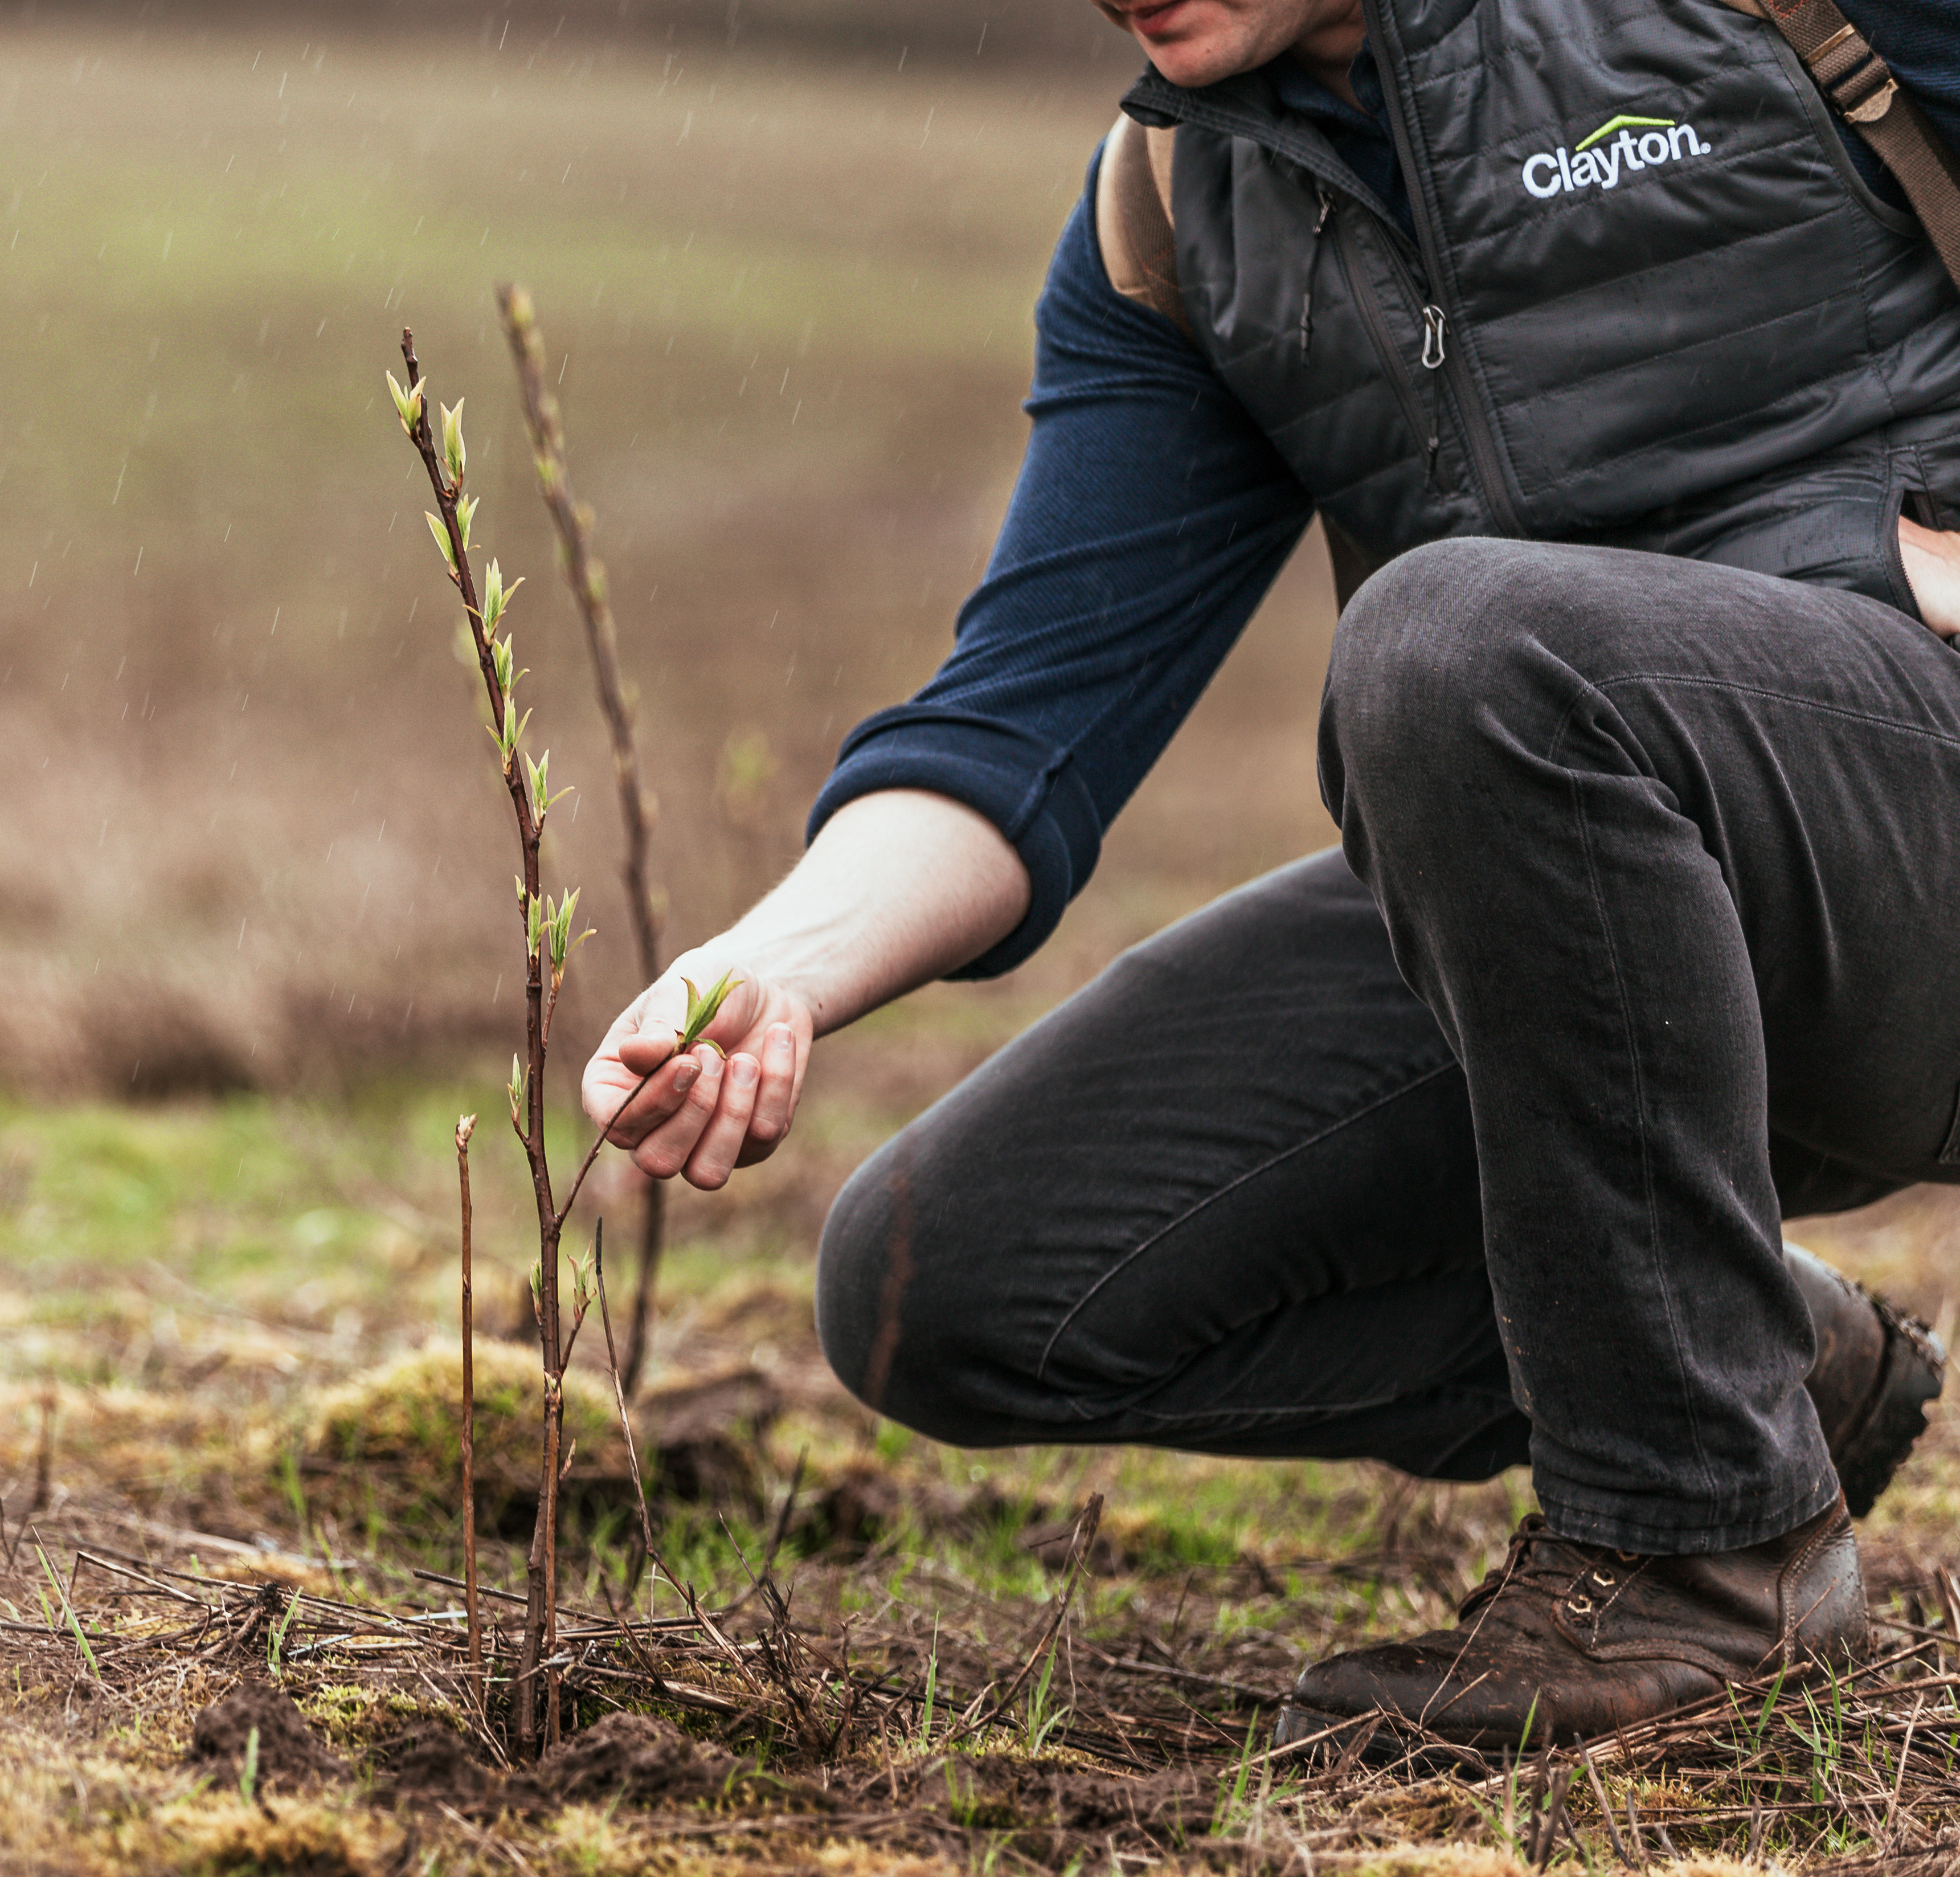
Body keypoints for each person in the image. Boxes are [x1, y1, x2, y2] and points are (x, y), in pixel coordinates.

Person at [582, 0, 1960, 1753]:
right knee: (950, 1281)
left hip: (1920, 842)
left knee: (1460, 640)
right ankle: (1750, 1373)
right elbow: (1021, 728)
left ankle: (1701, 1541)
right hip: (1583, 916)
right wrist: (770, 968)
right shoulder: (1178, 210)